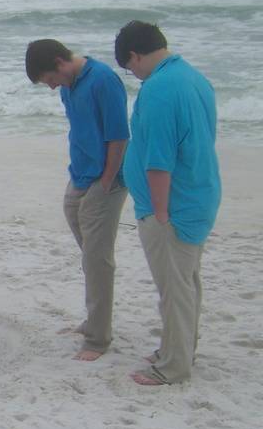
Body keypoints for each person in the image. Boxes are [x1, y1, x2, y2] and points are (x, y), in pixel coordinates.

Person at [115, 21, 221, 386]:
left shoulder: (158, 89)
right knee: (186, 282)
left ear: (135, 55)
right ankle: (179, 348)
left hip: (173, 207)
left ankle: (173, 366)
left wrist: (160, 213)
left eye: (130, 68)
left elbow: (160, 160)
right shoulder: (193, 77)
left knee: (174, 288)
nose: (134, 75)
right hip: (200, 195)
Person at [25, 39, 130, 361]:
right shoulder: (70, 86)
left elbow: (119, 136)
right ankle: (94, 318)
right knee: (91, 254)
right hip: (80, 174)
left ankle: (98, 339)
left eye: (50, 79)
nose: (51, 87)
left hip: (107, 178)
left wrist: (108, 180)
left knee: (98, 259)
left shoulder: (103, 80)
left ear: (60, 62)